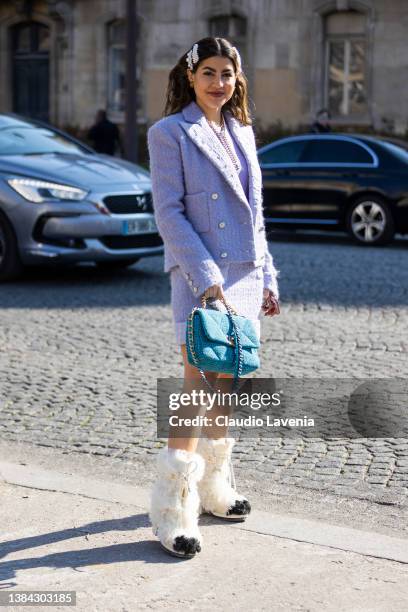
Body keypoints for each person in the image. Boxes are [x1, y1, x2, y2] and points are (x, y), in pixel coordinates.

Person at [147, 37, 280, 558]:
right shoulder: (169, 133)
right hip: (200, 276)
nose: (219, 82)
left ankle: (213, 488)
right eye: (208, 72)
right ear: (190, 76)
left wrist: (268, 276)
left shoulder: (243, 132)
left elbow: (257, 214)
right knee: (196, 383)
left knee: (229, 380)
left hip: (245, 277)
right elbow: (169, 212)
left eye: (227, 73)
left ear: (237, 79)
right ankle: (172, 506)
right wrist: (207, 277)